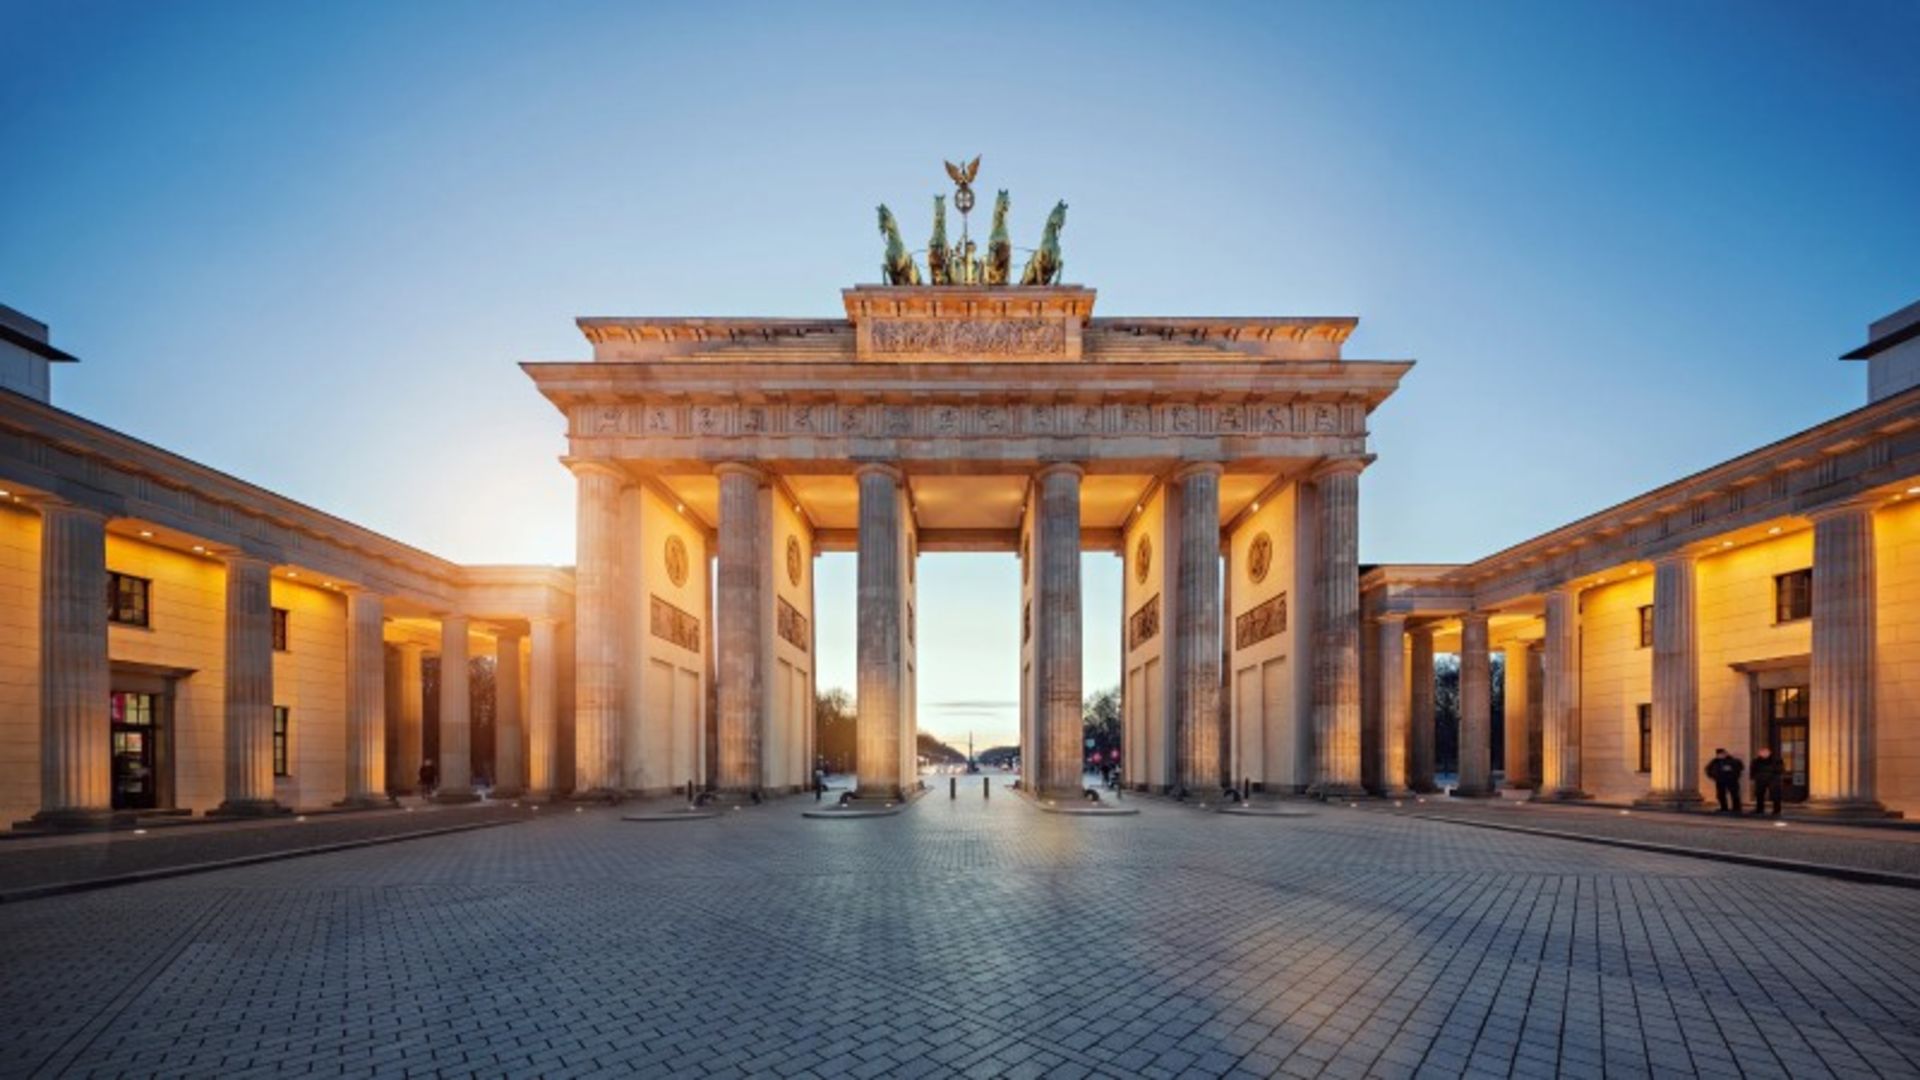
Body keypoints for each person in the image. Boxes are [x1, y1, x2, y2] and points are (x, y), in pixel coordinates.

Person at [1704, 748, 1745, 813]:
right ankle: (1724, 807)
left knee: (1734, 794)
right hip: (1720, 780)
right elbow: (1708, 769)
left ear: (1726, 753)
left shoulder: (1733, 760)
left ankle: (1736, 808)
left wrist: (1734, 775)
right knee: (1721, 794)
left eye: (1722, 754)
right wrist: (1713, 776)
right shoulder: (1715, 761)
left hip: (1731, 780)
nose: (1721, 755)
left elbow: (1740, 768)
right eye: (1719, 754)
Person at [1750, 746, 1785, 817]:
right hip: (1760, 780)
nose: (1763, 754)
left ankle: (1777, 810)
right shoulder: (1756, 761)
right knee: (1759, 795)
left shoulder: (1776, 760)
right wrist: (1754, 777)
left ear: (1769, 752)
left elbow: (1780, 769)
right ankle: (1759, 809)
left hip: (1773, 780)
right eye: (1761, 752)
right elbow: (1753, 770)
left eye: (1765, 752)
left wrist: (1773, 774)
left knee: (1776, 795)